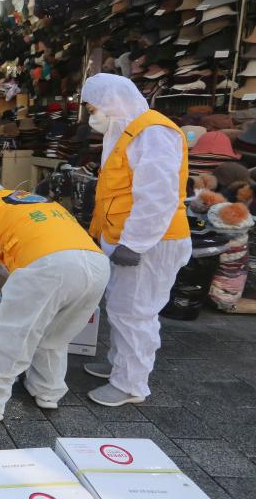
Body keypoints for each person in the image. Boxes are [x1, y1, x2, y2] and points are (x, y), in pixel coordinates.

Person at [0, 169, 110, 422]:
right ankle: (47, 391)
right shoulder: (28, 200)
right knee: (56, 333)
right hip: (96, 264)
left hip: (48, 269)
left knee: (10, 335)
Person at [81, 74, 190, 408]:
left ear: (112, 101)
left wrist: (136, 242)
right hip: (124, 237)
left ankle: (131, 384)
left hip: (150, 242)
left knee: (135, 312)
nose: (91, 114)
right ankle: (119, 366)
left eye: (93, 106)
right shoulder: (125, 132)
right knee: (119, 306)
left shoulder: (153, 132)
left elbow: (158, 194)